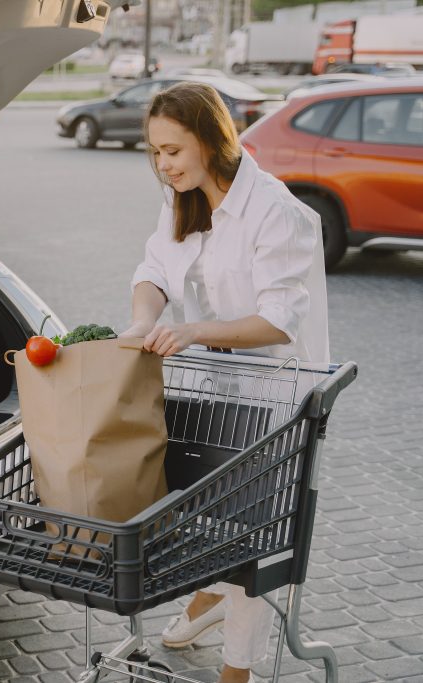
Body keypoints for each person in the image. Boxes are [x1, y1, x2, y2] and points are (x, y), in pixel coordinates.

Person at [121, 82, 329, 683]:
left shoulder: (275, 211)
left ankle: (237, 670)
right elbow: (155, 268)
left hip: (278, 398)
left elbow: (276, 323)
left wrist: (191, 332)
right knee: (205, 514)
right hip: (213, 389)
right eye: (156, 152)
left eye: (174, 151)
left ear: (212, 141)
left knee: (253, 533)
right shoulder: (181, 199)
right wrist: (144, 320)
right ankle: (208, 598)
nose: (164, 165)